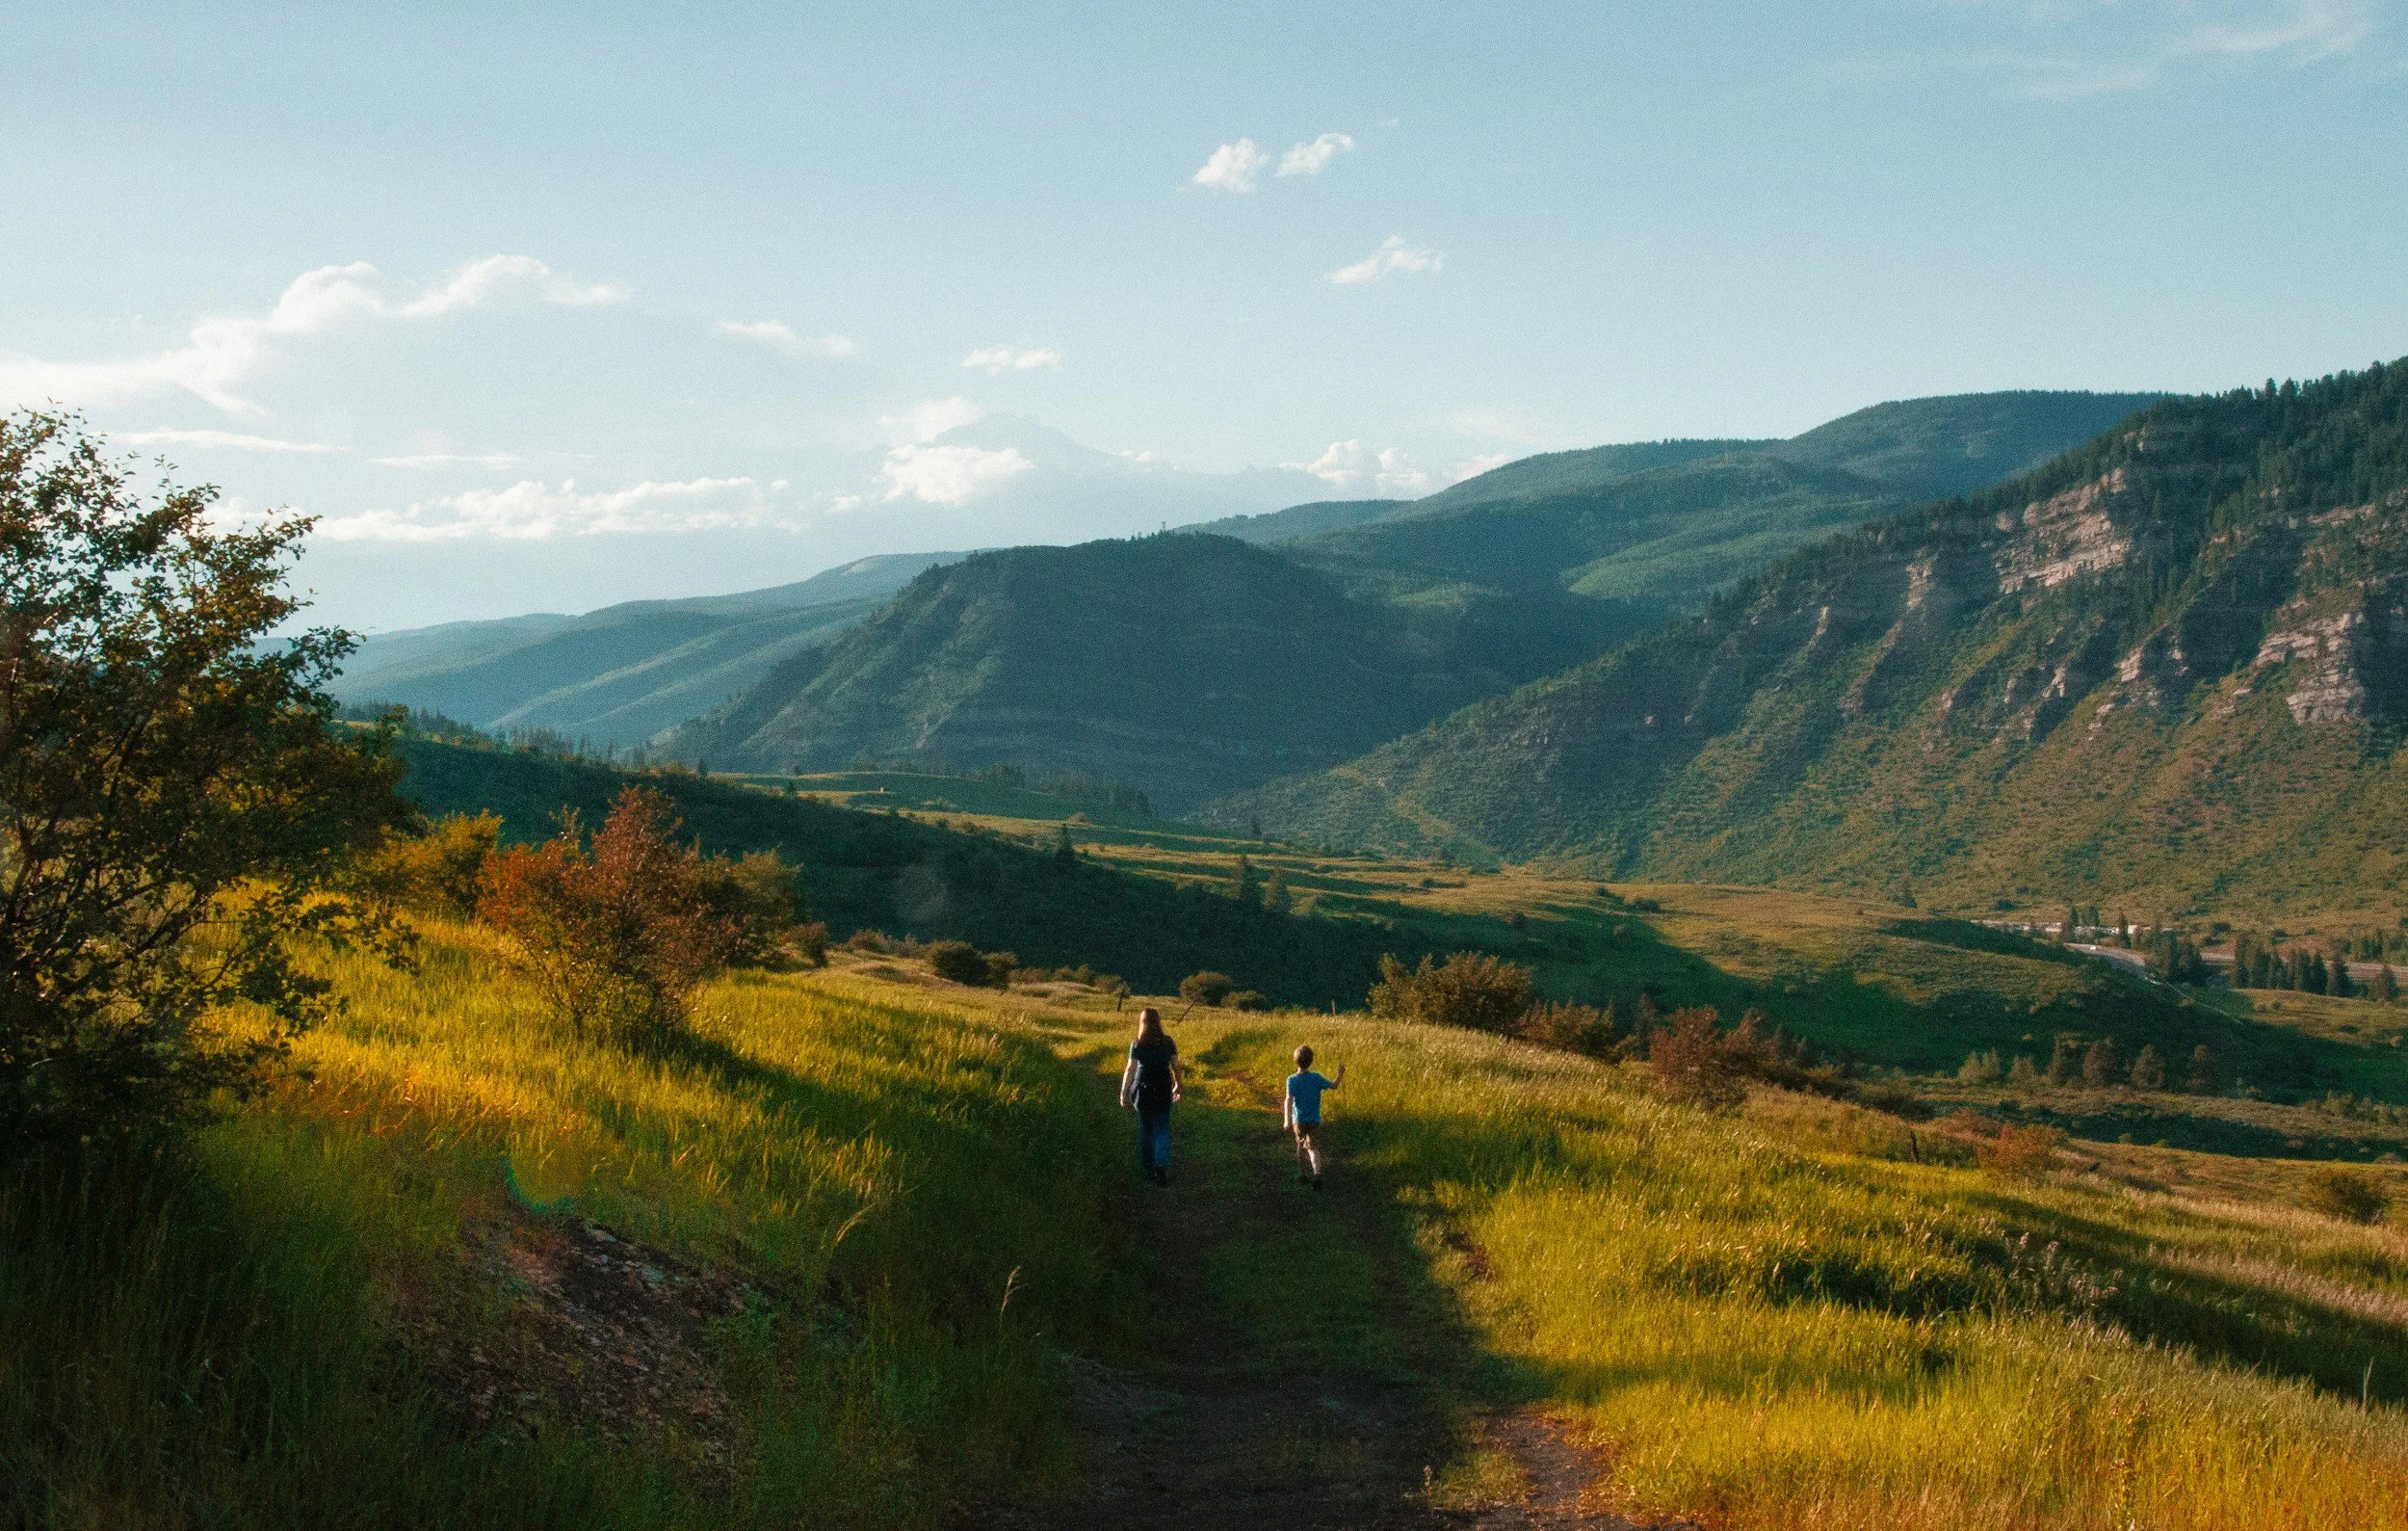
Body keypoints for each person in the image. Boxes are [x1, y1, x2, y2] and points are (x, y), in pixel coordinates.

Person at [1119, 1008, 1182, 1185]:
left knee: (1146, 1129)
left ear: (1142, 1022)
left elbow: (1130, 1068)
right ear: (1158, 1022)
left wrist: (1124, 1093)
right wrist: (1178, 1085)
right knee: (1161, 1128)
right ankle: (1160, 1163)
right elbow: (1176, 1066)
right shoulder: (1168, 1042)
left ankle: (1148, 1169)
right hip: (1162, 1089)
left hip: (1142, 1091)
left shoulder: (1137, 1043)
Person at [1283, 1044, 1345, 1188]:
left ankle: (1302, 1174)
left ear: (1295, 1061)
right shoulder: (1316, 1078)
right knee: (1313, 1147)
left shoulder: (1291, 1080)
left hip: (1298, 1120)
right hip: (1314, 1120)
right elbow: (1334, 1086)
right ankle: (1317, 1174)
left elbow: (1288, 1100)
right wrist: (1340, 1074)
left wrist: (1287, 1120)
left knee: (1300, 1146)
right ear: (1311, 1061)